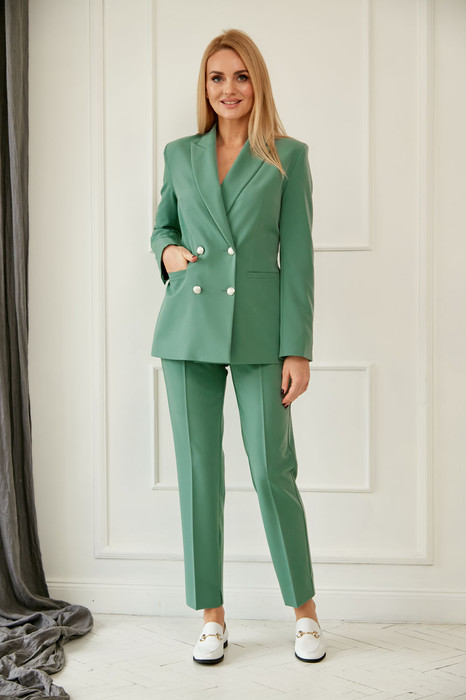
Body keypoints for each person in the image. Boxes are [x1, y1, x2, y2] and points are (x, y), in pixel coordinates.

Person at [150, 28, 326, 665]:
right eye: (217, 77)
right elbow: (162, 226)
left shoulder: (287, 156)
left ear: (258, 83)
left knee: (271, 470)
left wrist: (296, 348)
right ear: (205, 87)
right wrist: (167, 252)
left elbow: (298, 258)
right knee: (200, 473)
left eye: (241, 76)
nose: (229, 89)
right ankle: (211, 616)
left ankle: (304, 612)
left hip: (260, 330)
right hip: (188, 326)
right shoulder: (179, 153)